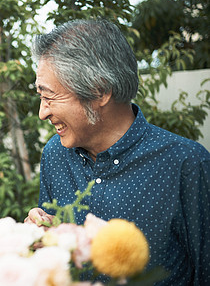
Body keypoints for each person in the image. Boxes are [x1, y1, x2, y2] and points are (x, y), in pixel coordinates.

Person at [24, 19, 210, 285]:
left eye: (49, 96)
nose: (42, 112)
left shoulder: (187, 164)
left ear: (99, 91)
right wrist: (43, 235)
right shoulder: (56, 153)